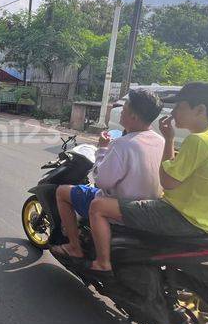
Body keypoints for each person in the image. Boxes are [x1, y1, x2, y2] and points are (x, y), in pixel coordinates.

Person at [84, 82, 208, 277]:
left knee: (98, 206)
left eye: (179, 107)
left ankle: (102, 263)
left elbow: (167, 182)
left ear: (200, 110)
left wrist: (169, 139)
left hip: (181, 218)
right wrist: (167, 140)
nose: (173, 113)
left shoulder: (198, 141)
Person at [50, 88, 165, 259]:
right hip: (147, 206)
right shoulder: (160, 140)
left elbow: (102, 181)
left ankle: (74, 247)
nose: (120, 112)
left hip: (120, 207)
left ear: (133, 115)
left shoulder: (122, 145)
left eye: (124, 108)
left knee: (62, 192)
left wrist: (102, 148)